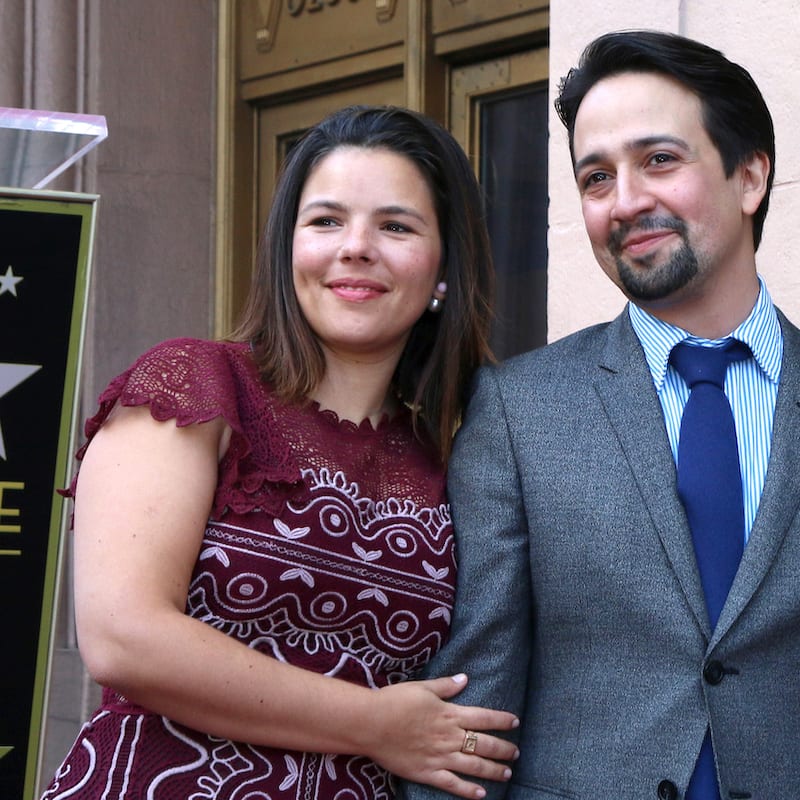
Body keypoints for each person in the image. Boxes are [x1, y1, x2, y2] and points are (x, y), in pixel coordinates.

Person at [405, 30, 800, 800]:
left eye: (659, 160)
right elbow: (471, 711)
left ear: (750, 177)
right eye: (597, 177)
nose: (626, 200)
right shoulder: (517, 412)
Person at [41, 105, 520, 800]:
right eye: (326, 221)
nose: (356, 247)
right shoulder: (197, 385)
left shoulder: (452, 454)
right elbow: (123, 637)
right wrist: (376, 725)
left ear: (445, 268)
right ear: (287, 248)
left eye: (395, 226)